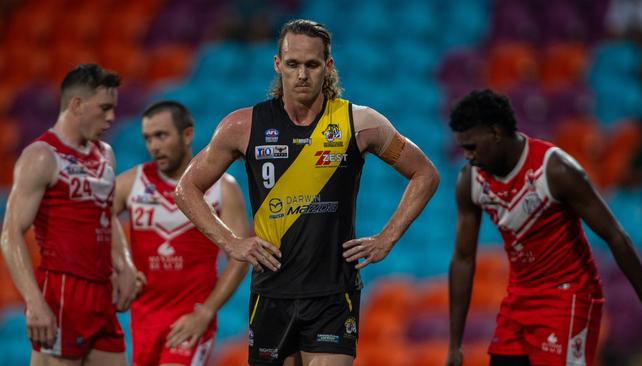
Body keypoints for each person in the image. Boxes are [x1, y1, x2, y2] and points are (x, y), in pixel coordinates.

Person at [173, 19, 440, 366]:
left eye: (312, 65)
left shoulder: (359, 123)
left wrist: (387, 238)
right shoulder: (243, 126)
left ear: (327, 67)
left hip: (333, 294)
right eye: (293, 64)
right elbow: (186, 189)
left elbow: (425, 173)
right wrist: (231, 242)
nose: (302, 74)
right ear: (277, 64)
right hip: (271, 294)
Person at [445, 89, 642, 366]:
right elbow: (463, 258)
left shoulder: (555, 170)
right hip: (519, 299)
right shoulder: (470, 181)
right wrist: (455, 344)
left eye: (471, 147)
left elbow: (615, 236)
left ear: (495, 133)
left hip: (569, 296)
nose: (467, 157)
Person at [0, 64, 139, 365]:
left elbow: (106, 213)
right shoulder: (41, 156)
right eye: (104, 109)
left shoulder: (106, 155)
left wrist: (124, 262)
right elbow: (10, 232)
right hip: (63, 291)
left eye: (113, 109)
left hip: (101, 293)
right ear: (76, 105)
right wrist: (34, 301)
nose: (111, 118)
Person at [112, 101, 250, 366]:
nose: (154, 146)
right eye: (148, 138)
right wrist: (121, 265)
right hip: (143, 320)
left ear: (187, 135)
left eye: (161, 135)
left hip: (190, 317)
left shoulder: (222, 188)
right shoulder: (132, 183)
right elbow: (96, 216)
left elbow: (239, 257)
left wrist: (207, 312)